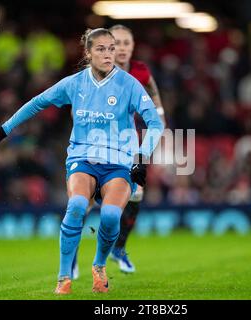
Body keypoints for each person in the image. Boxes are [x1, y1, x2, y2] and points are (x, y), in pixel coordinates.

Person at [0, 28, 164, 294]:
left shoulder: (129, 84)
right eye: (101, 49)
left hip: (118, 163)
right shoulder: (75, 83)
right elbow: (37, 103)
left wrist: (141, 159)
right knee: (78, 204)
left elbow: (155, 122)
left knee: (112, 215)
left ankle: (99, 266)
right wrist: (3, 130)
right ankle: (63, 277)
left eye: (111, 48)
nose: (108, 54)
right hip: (83, 159)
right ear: (88, 53)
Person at [72, 24, 166, 278]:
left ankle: (119, 248)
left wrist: (156, 129)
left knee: (136, 194)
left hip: (128, 144)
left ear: (133, 46)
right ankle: (72, 256)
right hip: (96, 143)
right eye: (118, 43)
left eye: (127, 43)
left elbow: (158, 110)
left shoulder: (140, 72)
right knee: (86, 200)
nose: (123, 48)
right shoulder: (96, 72)